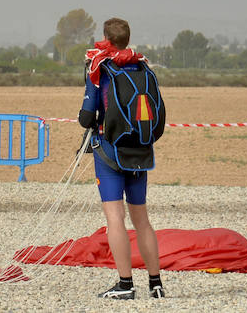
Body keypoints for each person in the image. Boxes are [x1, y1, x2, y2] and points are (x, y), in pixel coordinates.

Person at [80, 17, 166, 300]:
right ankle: (156, 285)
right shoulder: (142, 66)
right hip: (140, 150)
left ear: (106, 37)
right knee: (142, 219)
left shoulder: (99, 67)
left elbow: (86, 116)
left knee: (115, 219)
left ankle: (125, 284)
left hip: (109, 151)